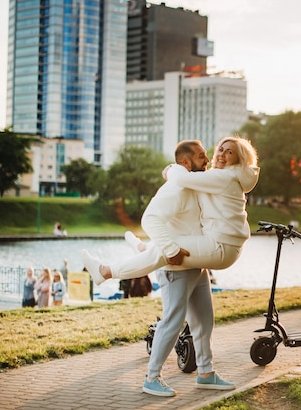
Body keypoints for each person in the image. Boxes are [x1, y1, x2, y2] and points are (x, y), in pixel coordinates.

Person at [83, 139, 236, 396]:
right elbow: (149, 218)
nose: (207, 160)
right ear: (186, 163)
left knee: (204, 322)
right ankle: (152, 378)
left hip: (196, 266)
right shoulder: (175, 188)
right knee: (172, 323)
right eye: (201, 157)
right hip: (176, 267)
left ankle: (206, 373)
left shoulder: (193, 183)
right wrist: (171, 250)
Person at [82, 136, 259, 284]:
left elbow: (183, 180)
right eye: (221, 149)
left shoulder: (224, 177)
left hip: (222, 246)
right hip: (223, 244)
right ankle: (145, 249)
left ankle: (105, 272)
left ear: (240, 158)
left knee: (166, 251)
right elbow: (194, 180)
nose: (222, 154)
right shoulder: (225, 176)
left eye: (230, 152)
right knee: (167, 249)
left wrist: (171, 171)